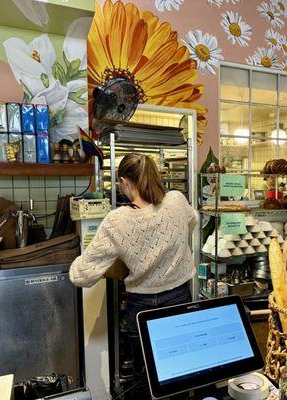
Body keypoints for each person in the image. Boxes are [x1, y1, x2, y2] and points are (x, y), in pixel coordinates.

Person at [69, 153, 197, 399]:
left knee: (145, 380)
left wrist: (75, 262)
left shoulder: (117, 220)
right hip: (180, 299)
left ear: (124, 182)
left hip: (141, 308)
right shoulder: (177, 201)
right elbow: (191, 223)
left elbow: (81, 276)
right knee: (181, 373)